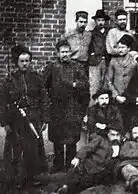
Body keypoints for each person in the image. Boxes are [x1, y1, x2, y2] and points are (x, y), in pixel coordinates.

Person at [0, 45, 49, 188]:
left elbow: (44, 99)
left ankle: (31, 177)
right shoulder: (9, 80)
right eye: (22, 61)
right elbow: (3, 102)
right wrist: (5, 123)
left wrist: (45, 119)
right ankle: (15, 178)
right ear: (17, 62)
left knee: (32, 150)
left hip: (33, 118)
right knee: (16, 149)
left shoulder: (37, 78)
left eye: (27, 61)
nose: (25, 64)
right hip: (16, 120)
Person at [44, 39, 90, 172]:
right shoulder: (51, 67)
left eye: (67, 51)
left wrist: (75, 85)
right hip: (57, 108)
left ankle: (70, 165)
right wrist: (48, 103)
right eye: (62, 52)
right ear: (57, 53)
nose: (65, 54)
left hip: (73, 108)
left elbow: (86, 86)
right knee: (57, 138)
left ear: (70, 52)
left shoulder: (77, 67)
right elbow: (43, 87)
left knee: (71, 139)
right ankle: (58, 164)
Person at [49, 126, 123, 193]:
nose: (115, 137)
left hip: (103, 173)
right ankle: (63, 189)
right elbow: (87, 148)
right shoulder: (101, 140)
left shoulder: (121, 145)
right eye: (113, 135)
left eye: (118, 135)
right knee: (74, 181)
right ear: (108, 134)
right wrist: (77, 158)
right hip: (88, 167)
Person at [105, 34, 138, 131]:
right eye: (118, 47)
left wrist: (132, 96)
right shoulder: (113, 61)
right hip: (117, 99)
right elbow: (108, 80)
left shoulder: (134, 62)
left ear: (129, 48)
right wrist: (116, 95)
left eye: (123, 47)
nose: (120, 50)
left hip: (130, 98)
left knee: (130, 123)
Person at [88, 9, 110, 105]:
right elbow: (87, 47)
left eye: (102, 20)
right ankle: (92, 110)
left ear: (105, 21)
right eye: (98, 20)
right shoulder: (91, 34)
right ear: (95, 21)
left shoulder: (109, 33)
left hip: (107, 62)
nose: (100, 22)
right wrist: (92, 54)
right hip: (95, 62)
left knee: (106, 86)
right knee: (94, 87)